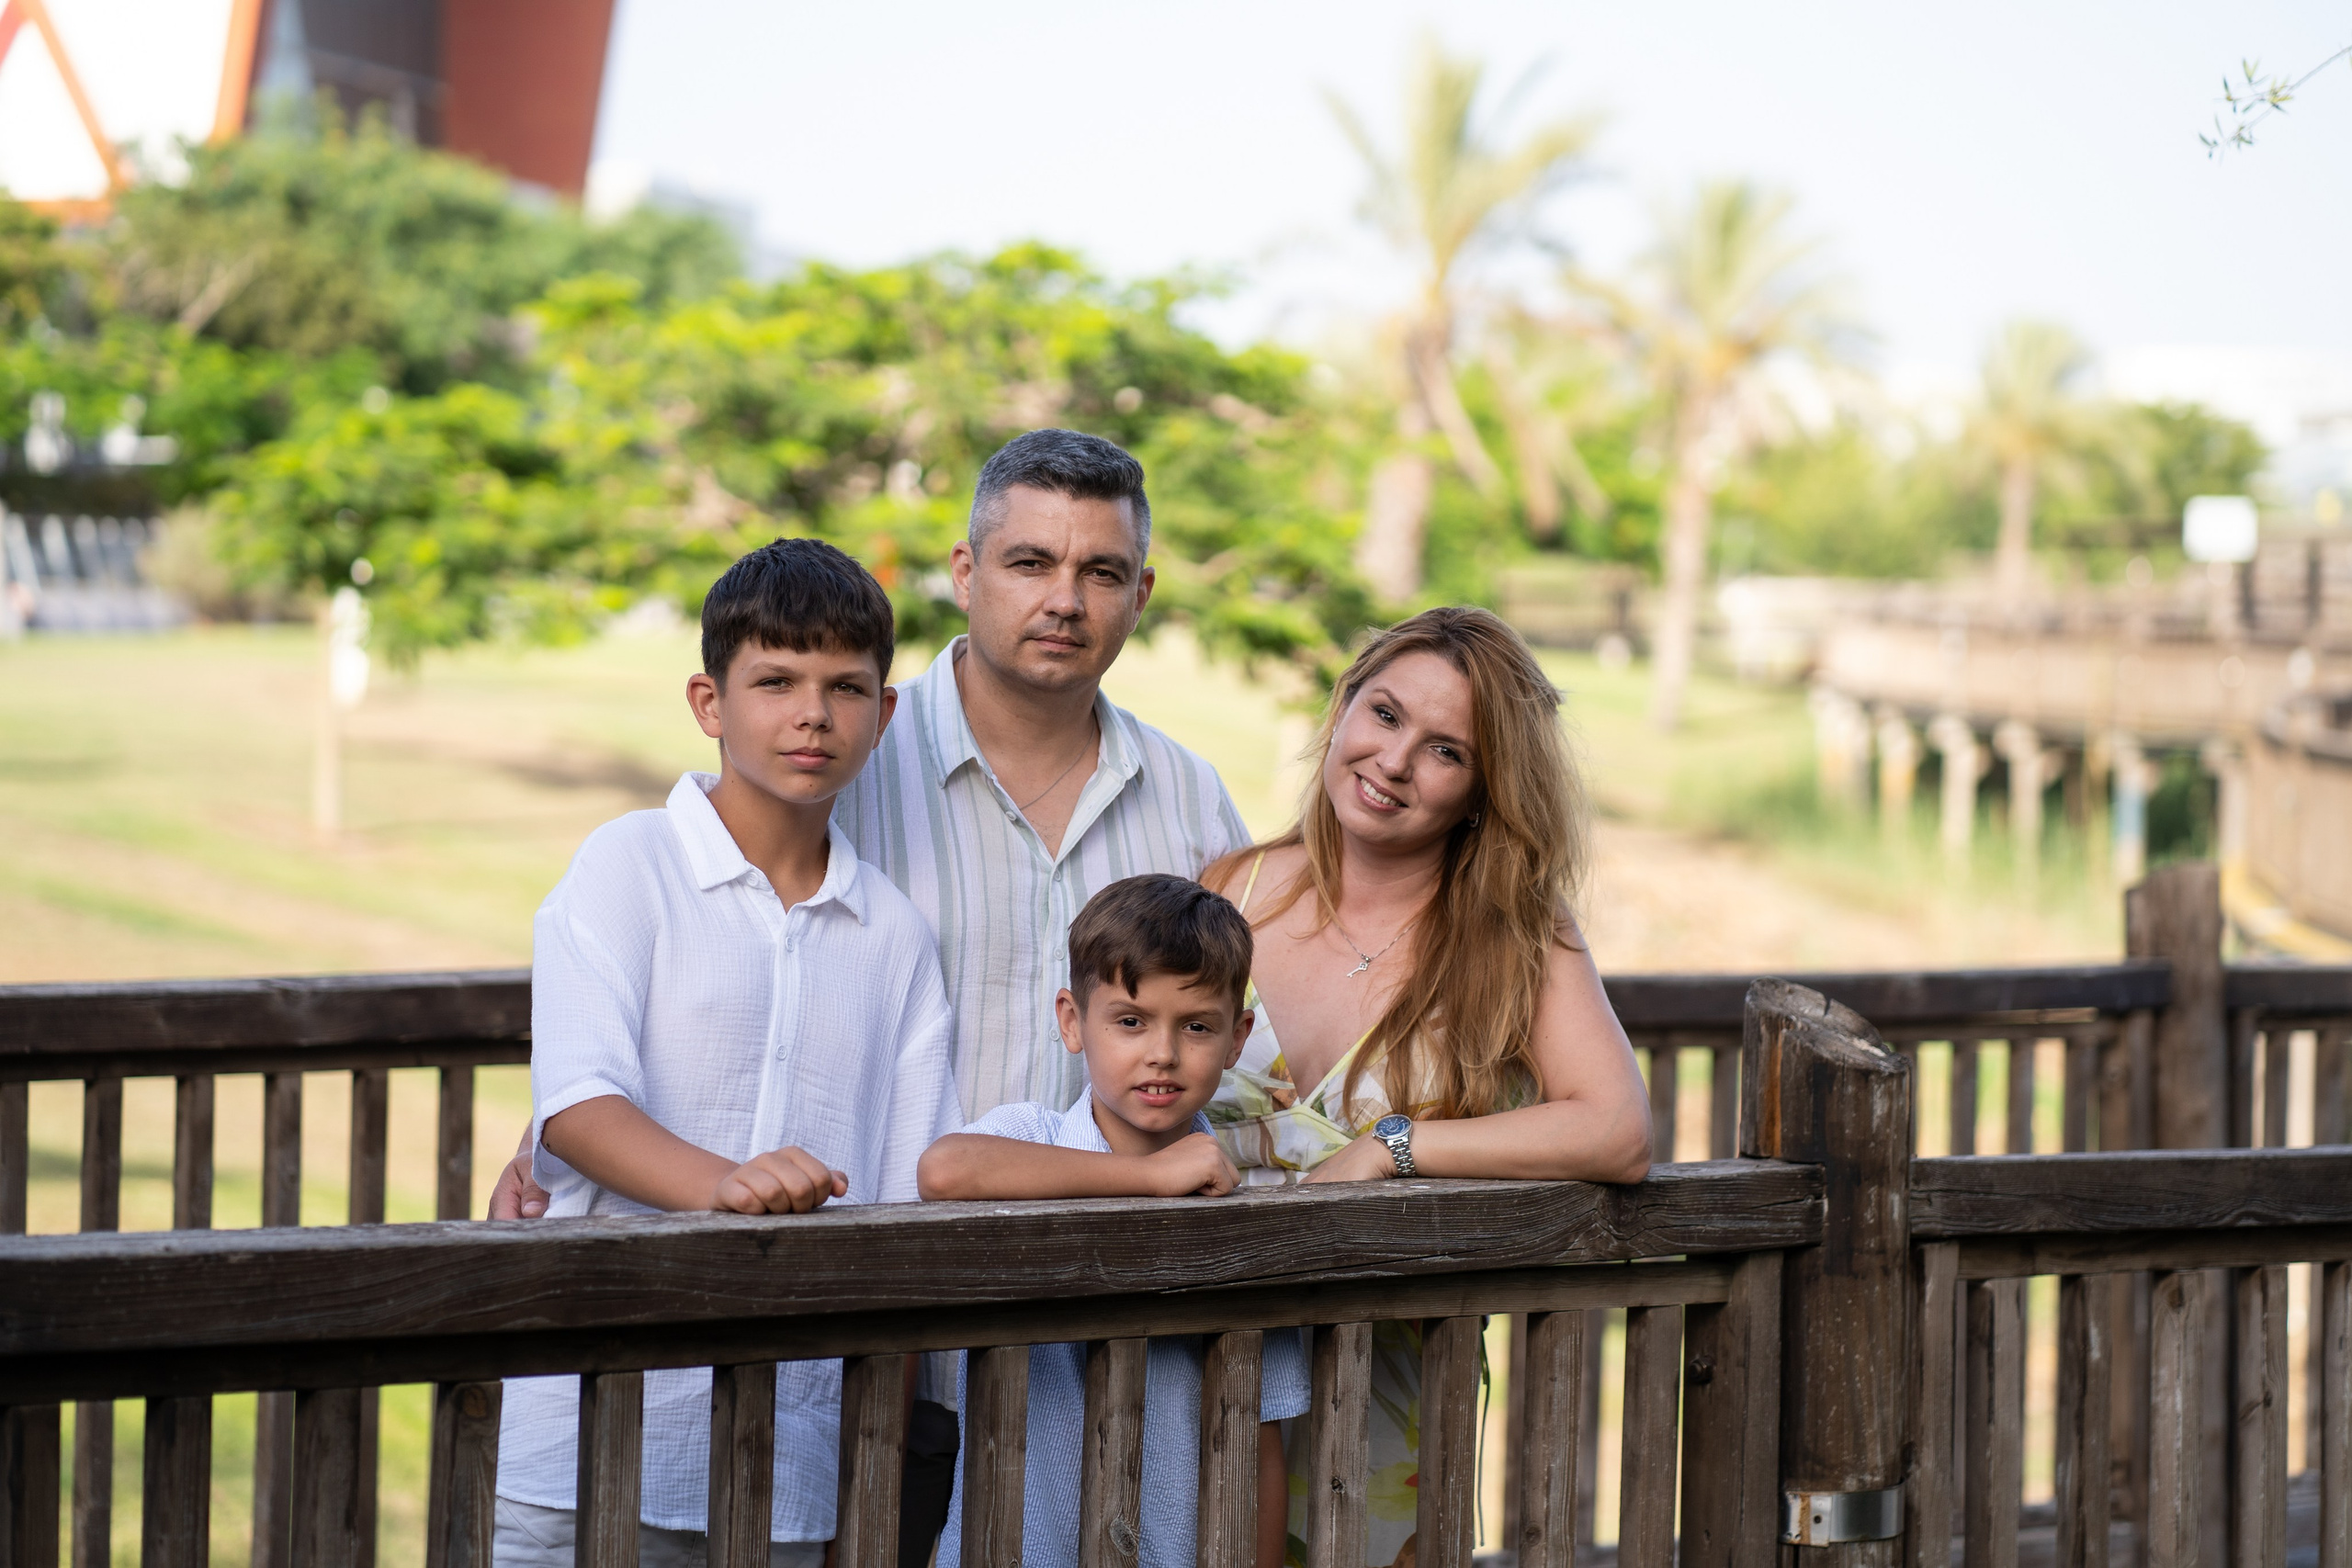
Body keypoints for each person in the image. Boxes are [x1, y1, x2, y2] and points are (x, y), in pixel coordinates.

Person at [488, 429, 1252, 1555]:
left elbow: (1241, 1032)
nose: (1064, 601)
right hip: (881, 1342)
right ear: (966, 570)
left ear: (1141, 593)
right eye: (1031, 562)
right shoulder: (843, 762)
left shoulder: (1186, 797)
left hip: (1079, 1326)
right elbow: (695, 950)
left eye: (1100, 573)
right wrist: (573, 1125)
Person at [492, 538, 959, 1567]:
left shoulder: (894, 938)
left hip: (779, 1479)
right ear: (710, 702)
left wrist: (869, 1484)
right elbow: (575, 1104)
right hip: (576, 1445)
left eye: (846, 687)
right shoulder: (629, 864)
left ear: (884, 715)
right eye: (775, 681)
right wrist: (731, 1184)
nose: (813, 714)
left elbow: (902, 1214)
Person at [1200, 605, 1652, 1568]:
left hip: (1383, 1393)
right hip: (1201, 1368)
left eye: (1444, 750)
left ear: (1482, 792)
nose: (1394, 761)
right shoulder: (1228, 892)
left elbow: (1615, 1129)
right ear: (1342, 708)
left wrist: (1393, 1146)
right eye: (1384, 713)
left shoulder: (1513, 936)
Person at [917, 874, 1306, 1568]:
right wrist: (1148, 1178)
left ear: (1238, 1036)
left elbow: (1262, 1438)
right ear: (1072, 1021)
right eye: (1130, 1020)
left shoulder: (1244, 1205)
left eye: (1196, 1025)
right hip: (1019, 1549)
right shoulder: (1028, 1138)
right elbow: (946, 1168)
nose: (1162, 1052)